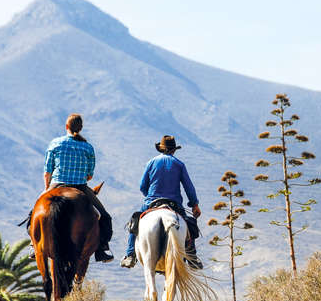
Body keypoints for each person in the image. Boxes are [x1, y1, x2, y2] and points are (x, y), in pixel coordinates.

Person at [121, 135, 203, 269]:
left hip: (151, 201)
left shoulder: (151, 162)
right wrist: (194, 204)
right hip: (173, 204)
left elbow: (143, 186)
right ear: (174, 150)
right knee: (189, 224)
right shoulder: (179, 164)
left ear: (161, 149)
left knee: (134, 222)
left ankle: (130, 255)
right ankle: (192, 257)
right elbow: (189, 187)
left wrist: (150, 197)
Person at [44, 113, 113, 262]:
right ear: (81, 128)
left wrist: (47, 190)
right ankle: (102, 248)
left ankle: (34, 244)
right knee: (105, 216)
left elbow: (47, 172)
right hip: (80, 187)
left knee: (33, 212)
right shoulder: (88, 147)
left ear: (66, 127)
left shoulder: (55, 143)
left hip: (57, 184)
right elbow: (89, 176)